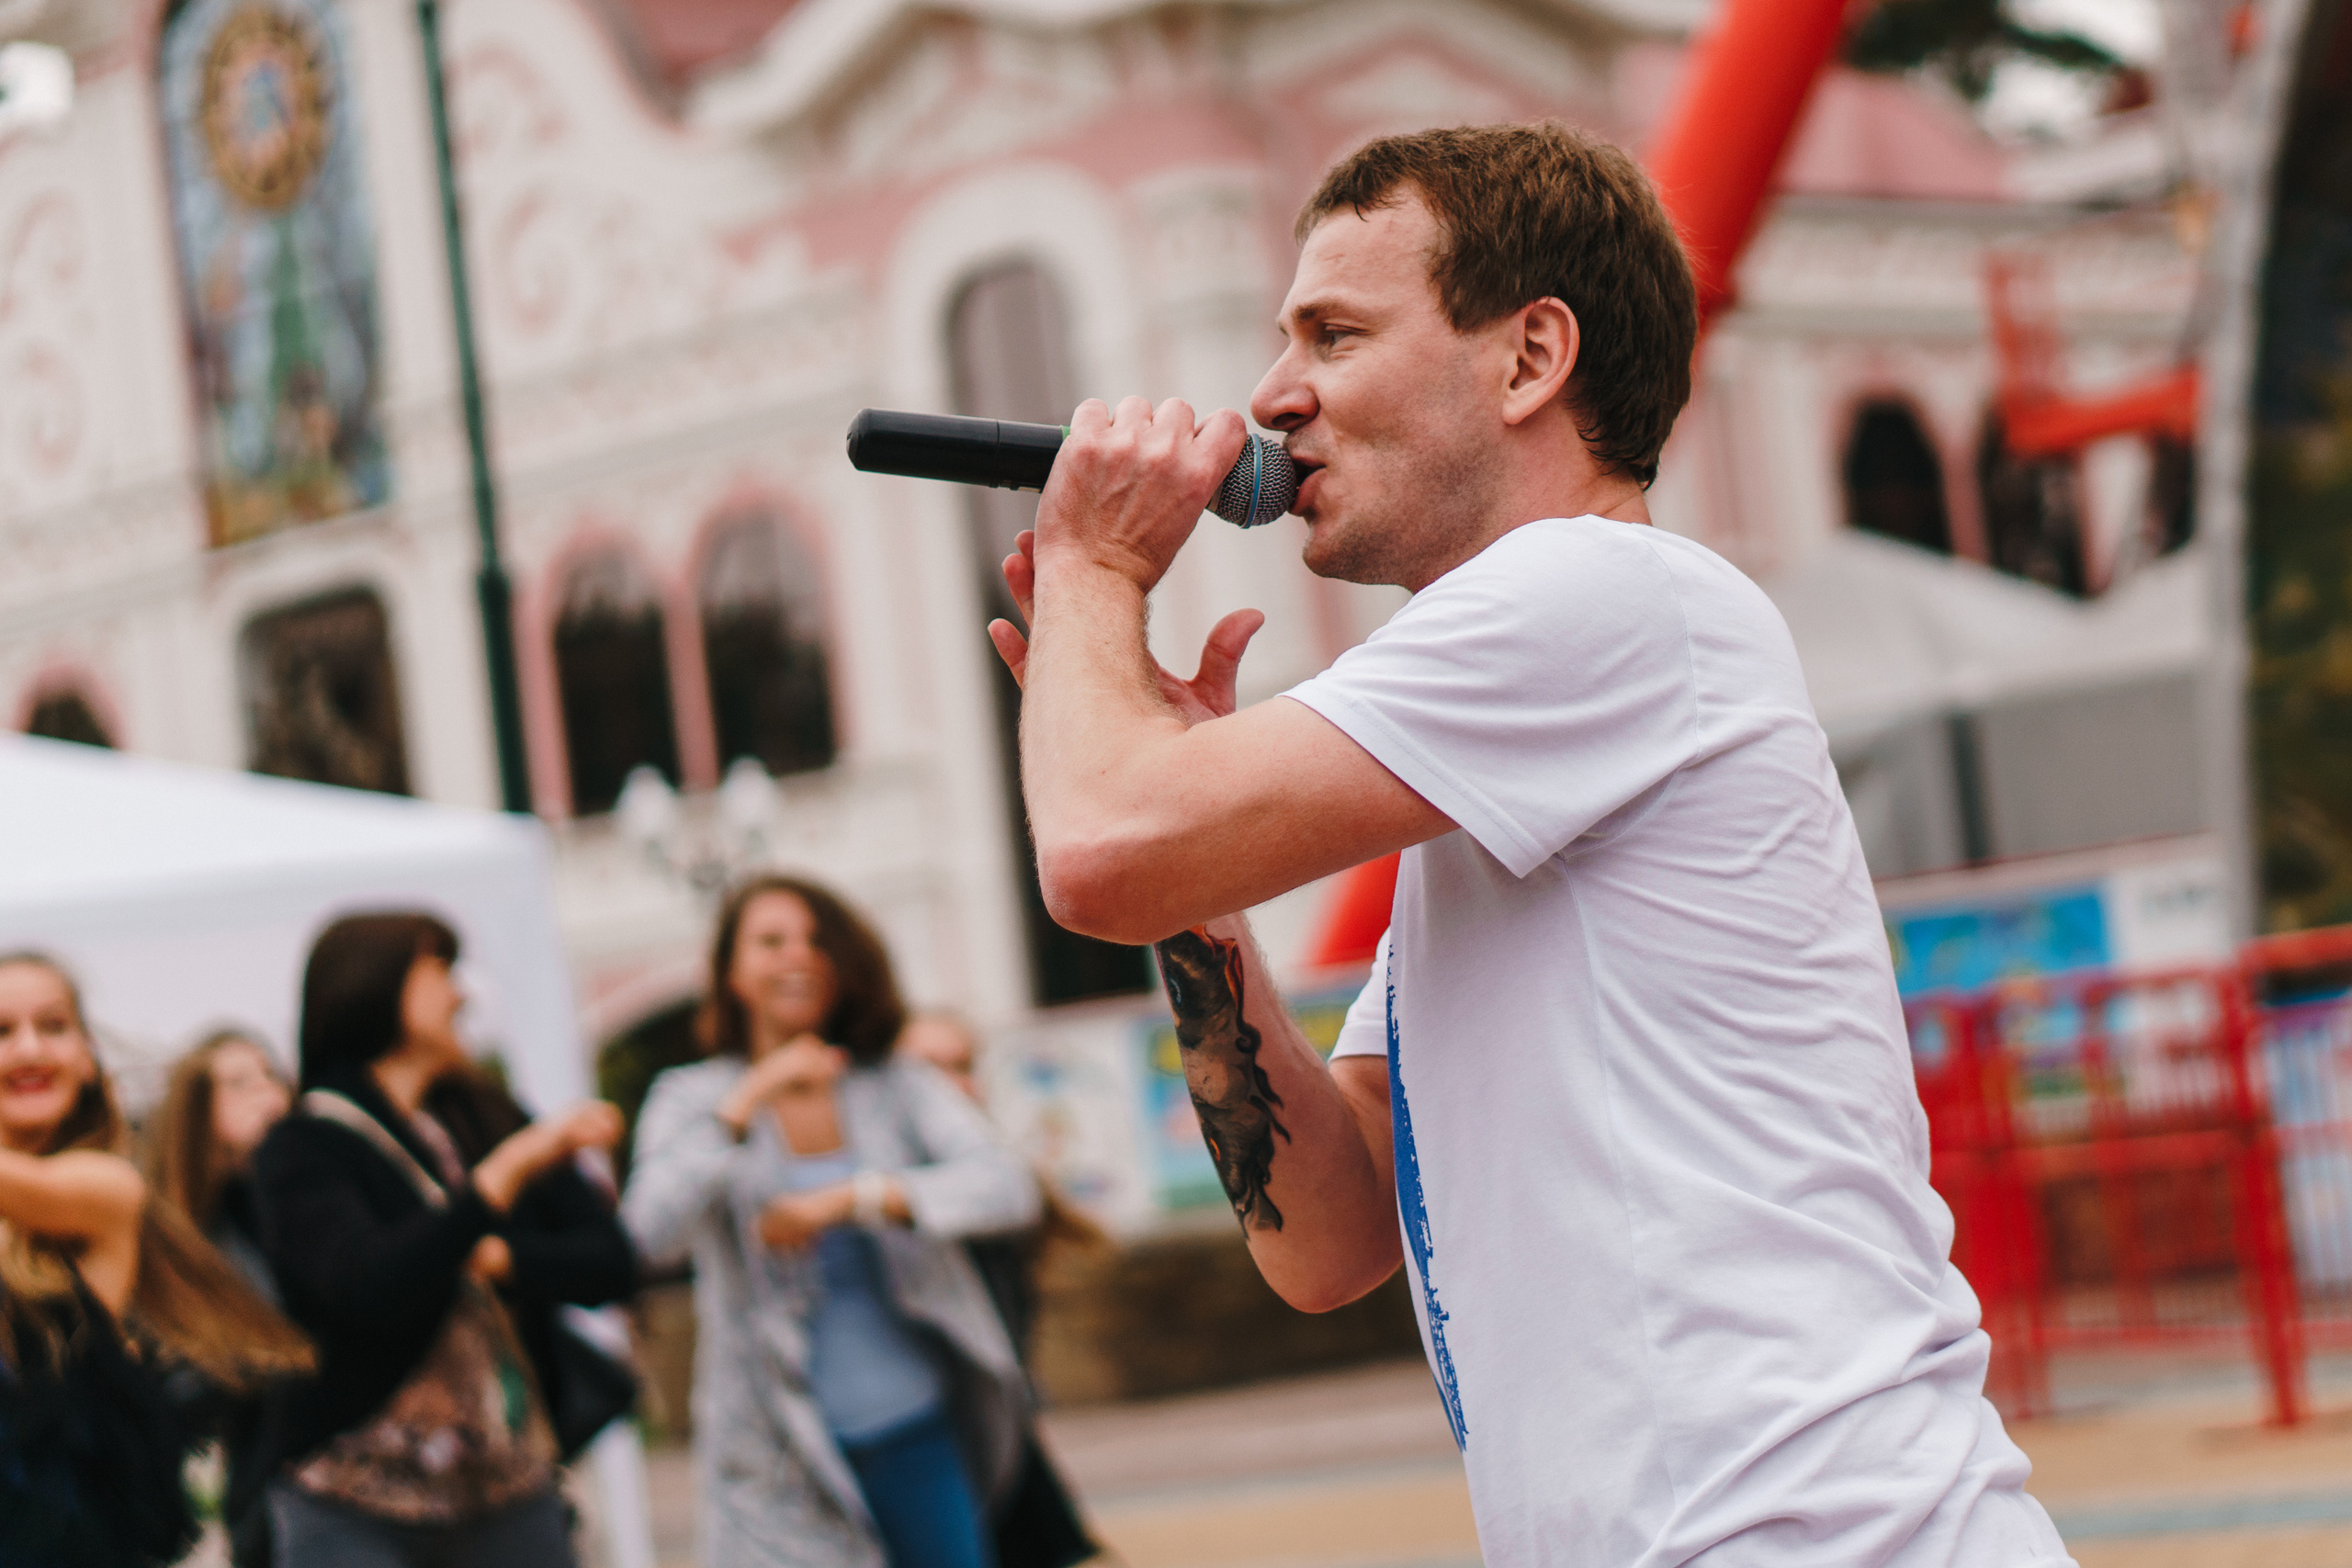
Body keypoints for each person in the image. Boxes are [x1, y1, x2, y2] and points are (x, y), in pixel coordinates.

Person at [987, 122, 2075, 1565]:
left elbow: (1094, 848)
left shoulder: (1595, 592)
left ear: (1528, 357)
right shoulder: (1509, 764)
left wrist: (1093, 561)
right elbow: (1329, 1231)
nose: (1273, 393)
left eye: (1336, 330)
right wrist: (1205, 899)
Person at [623, 875, 1040, 1568]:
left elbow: (1005, 1186)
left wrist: (856, 1197)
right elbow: (645, 1234)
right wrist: (747, 1098)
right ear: (731, 971)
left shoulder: (894, 1084)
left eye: (817, 940)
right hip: (774, 1458)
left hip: (918, 1432)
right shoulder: (690, 1097)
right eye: (771, 940)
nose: (798, 954)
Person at [249, 913, 630, 1568]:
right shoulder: (305, 1145)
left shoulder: (487, 1115)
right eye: (440, 973)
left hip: (510, 1490)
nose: (462, 994)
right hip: (352, 1498)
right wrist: (495, 1185)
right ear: (373, 985)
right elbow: (365, 1286)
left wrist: (501, 1257)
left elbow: (613, 1263)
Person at [0, 953, 311, 1567]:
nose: (29, 1048)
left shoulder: (108, 1187)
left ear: (88, 1057)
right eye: (2, 1032)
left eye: (54, 1025)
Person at [895, 1014, 1102, 1568]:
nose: (952, 1083)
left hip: (1001, 1438)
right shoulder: (892, 1205)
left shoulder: (1005, 1198)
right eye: (928, 1068)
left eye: (962, 1066)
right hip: (931, 1449)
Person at [146, 1029, 295, 1303]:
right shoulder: (164, 1219)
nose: (268, 1091)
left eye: (271, 1075)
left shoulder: (283, 1194)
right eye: (238, 1082)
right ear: (195, 1103)